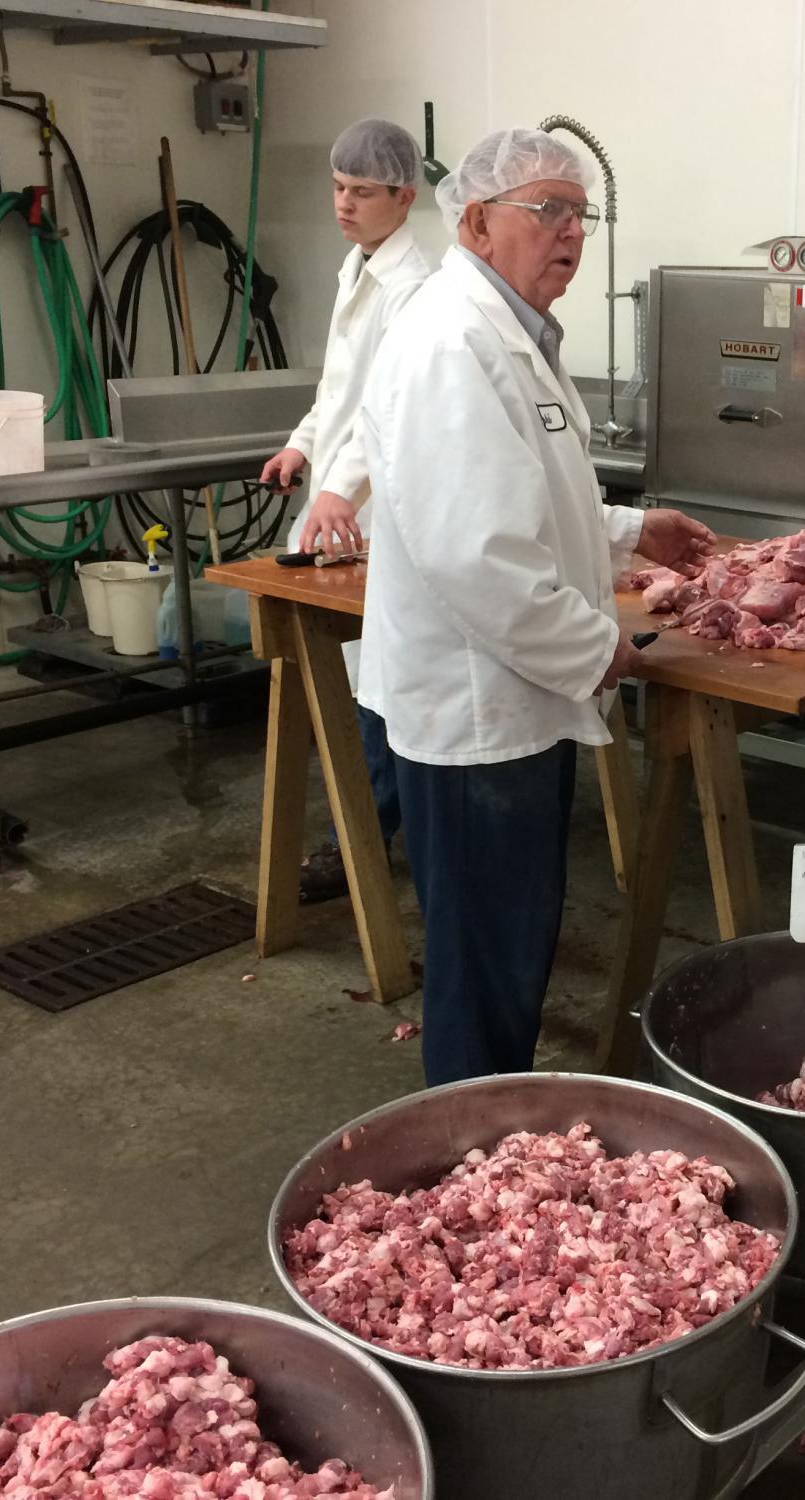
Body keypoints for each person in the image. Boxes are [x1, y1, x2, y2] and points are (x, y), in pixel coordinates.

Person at [355, 127, 711, 1086]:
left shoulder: (507, 335)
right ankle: (474, 1168)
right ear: (475, 221)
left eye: (580, 214)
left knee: (512, 951)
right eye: (546, 210)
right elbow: (480, 557)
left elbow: (522, 501)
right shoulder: (450, 343)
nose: (572, 234)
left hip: (511, 704)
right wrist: (603, 651)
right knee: (485, 967)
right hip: (477, 716)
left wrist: (632, 532)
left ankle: (494, 1151)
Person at [258, 117, 432, 905]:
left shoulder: (414, 289)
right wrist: (302, 446)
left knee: (378, 681)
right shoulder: (357, 268)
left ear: (405, 195)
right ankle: (359, 828)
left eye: (362, 191)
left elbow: (388, 412)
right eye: (337, 188)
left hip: (378, 511)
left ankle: (361, 837)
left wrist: (342, 485)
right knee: (354, 678)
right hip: (339, 504)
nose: (344, 204)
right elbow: (341, 390)